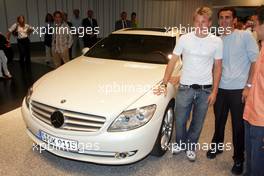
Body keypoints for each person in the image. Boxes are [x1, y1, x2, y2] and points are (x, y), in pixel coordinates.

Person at [154, 6, 223, 162]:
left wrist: (215, 91)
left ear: (210, 23)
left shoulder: (217, 42)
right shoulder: (185, 38)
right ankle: (180, 142)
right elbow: (172, 60)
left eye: (203, 22)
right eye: (197, 21)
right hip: (185, 87)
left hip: (205, 89)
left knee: (198, 122)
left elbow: (218, 67)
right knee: (180, 119)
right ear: (193, 22)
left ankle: (191, 146)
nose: (200, 25)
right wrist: (165, 82)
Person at [206, 7, 259, 175]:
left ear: (234, 20)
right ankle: (217, 146)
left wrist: (248, 86)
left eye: (228, 17)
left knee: (238, 128)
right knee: (219, 121)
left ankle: (238, 159)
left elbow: (255, 61)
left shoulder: (245, 36)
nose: (224, 21)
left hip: (239, 90)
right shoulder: (217, 40)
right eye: (221, 18)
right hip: (220, 89)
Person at [243, 5, 264, 176]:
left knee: (258, 164)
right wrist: (248, 87)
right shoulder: (262, 46)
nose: (254, 28)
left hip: (262, 120)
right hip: (251, 112)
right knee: (250, 158)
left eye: (256, 23)